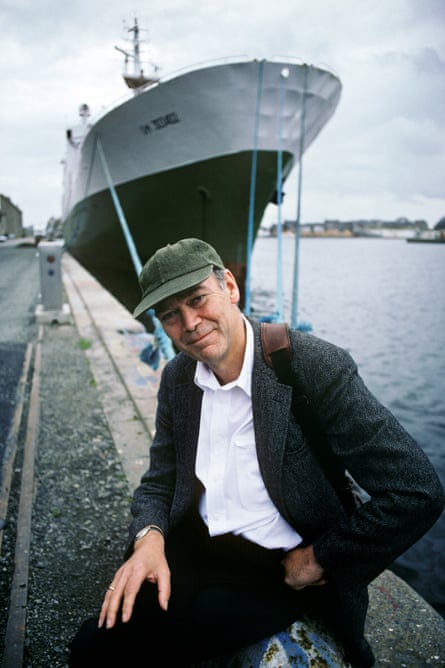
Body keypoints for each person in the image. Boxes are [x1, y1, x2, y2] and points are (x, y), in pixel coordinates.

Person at [69, 237, 444, 667]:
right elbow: (162, 476)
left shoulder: (312, 367)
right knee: (91, 650)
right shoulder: (178, 378)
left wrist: (323, 556)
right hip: (195, 545)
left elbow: (415, 491)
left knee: (175, 648)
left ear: (229, 286)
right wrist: (148, 538)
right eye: (170, 315)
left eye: (197, 299)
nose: (189, 323)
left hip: (276, 567)